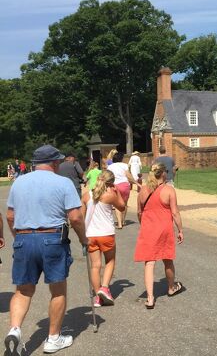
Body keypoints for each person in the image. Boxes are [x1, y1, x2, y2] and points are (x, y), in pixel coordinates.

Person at [5, 144, 87, 355]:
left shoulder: (19, 182)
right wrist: (83, 239)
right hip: (52, 237)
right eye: (58, 161)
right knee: (57, 289)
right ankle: (53, 338)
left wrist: (18, 238)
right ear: (54, 162)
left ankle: (14, 329)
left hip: (24, 237)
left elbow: (10, 216)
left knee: (23, 290)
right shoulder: (64, 183)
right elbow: (76, 217)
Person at [134, 162, 184, 309]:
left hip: (148, 228)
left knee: (149, 262)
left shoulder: (143, 190)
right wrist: (180, 229)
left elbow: (139, 211)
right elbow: (175, 212)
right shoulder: (169, 190)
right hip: (164, 228)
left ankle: (150, 298)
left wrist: (143, 224)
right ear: (163, 174)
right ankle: (171, 287)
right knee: (167, 259)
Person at [81, 170, 125, 307]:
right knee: (110, 261)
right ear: (111, 183)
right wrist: (117, 192)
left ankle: (97, 296)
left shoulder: (86, 196)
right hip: (106, 233)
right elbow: (122, 207)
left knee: (95, 265)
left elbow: (81, 217)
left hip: (91, 234)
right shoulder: (110, 195)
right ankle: (104, 288)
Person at [107, 152, 136, 229]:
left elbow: (108, 177)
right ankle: (123, 220)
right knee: (125, 204)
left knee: (117, 205)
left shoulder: (110, 167)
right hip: (125, 185)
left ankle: (119, 223)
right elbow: (128, 176)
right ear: (121, 158)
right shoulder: (125, 165)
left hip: (115, 186)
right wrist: (135, 182)